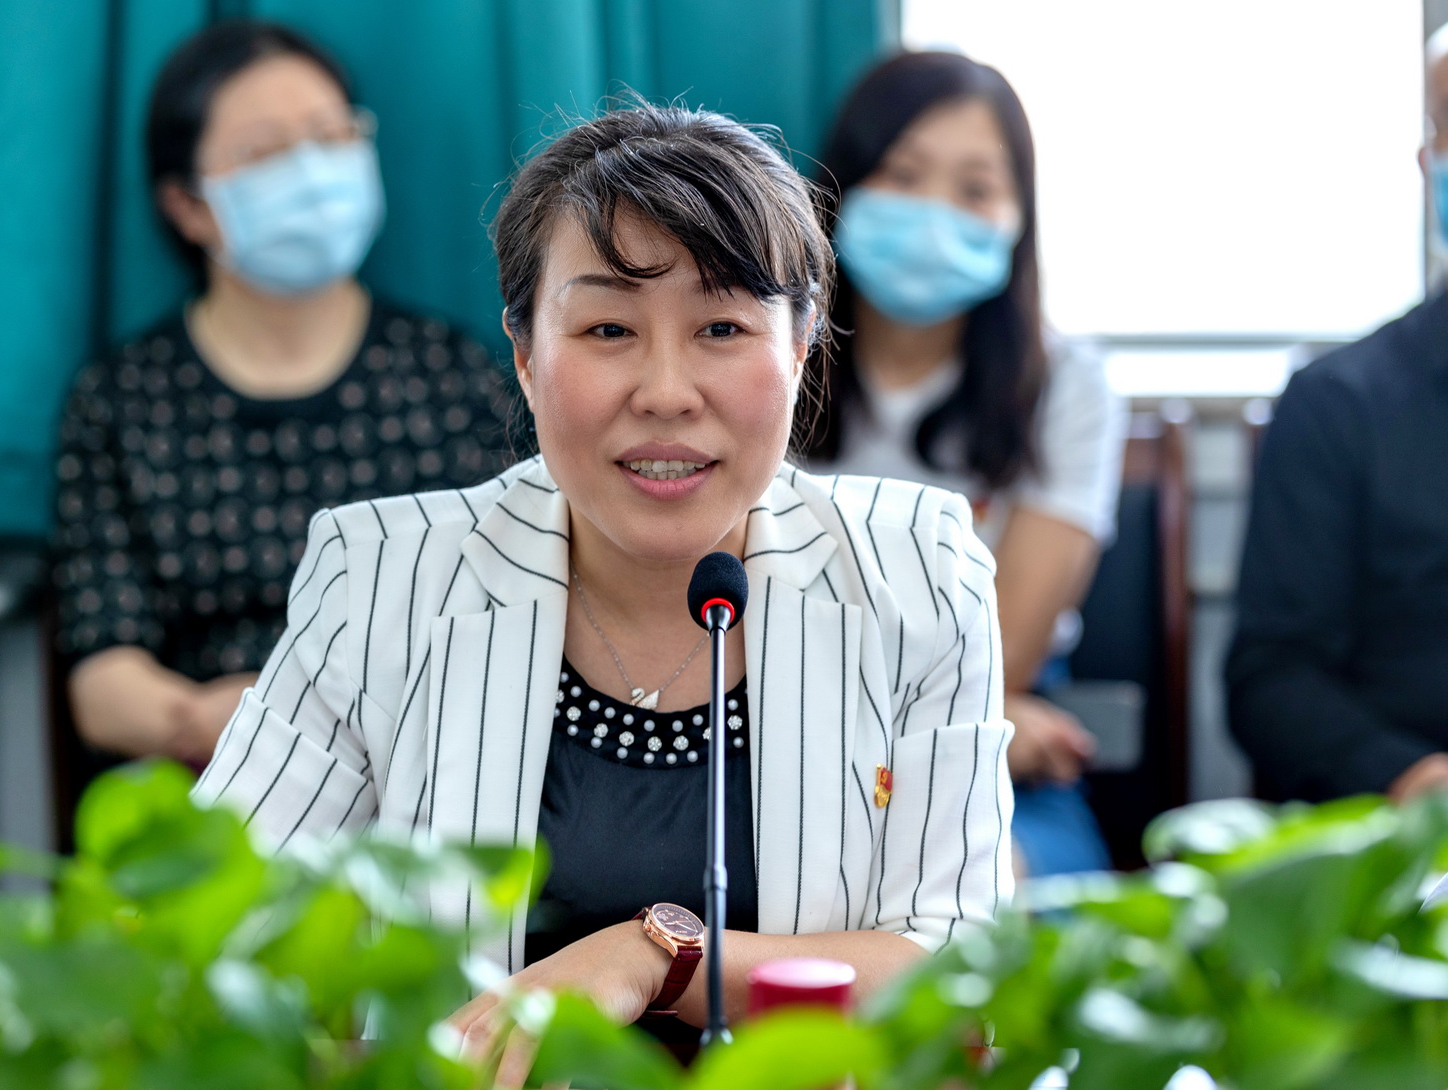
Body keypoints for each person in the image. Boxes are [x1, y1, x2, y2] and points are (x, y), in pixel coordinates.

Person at [194, 103, 1012, 1077]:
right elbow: (210, 935)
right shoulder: (382, 576)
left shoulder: (916, 568)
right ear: (526, 356)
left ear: (799, 347)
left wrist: (658, 957)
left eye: (721, 327)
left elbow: (963, 969)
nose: (665, 391)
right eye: (609, 328)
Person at [52, 21, 511, 768]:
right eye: (265, 152)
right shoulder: (122, 401)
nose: (311, 172)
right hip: (214, 783)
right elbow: (104, 685)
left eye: (332, 136)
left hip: (427, 775)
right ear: (187, 205)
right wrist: (242, 727)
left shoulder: (452, 374)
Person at [799, 52, 1126, 876]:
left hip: (985, 751)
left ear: (1018, 218)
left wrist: (992, 727)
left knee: (999, 887)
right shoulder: (764, 366)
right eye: (902, 175)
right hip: (780, 730)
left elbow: (1003, 657)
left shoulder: (1066, 386)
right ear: (838, 188)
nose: (933, 214)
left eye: (974, 189)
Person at [1225, 30, 1448, 805]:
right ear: (1428, 161)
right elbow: (1270, 678)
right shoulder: (1335, 405)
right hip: (1406, 826)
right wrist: (1406, 777)